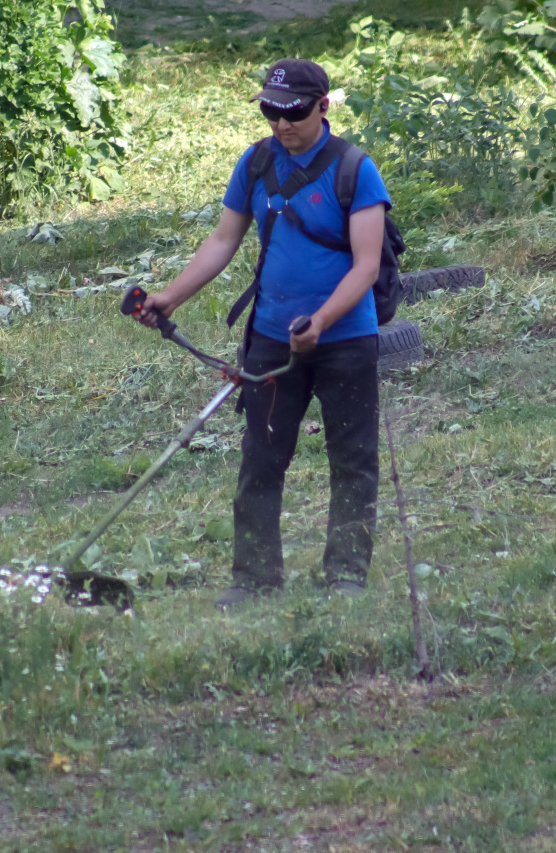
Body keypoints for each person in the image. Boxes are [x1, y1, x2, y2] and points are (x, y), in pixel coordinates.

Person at [133, 58, 391, 610]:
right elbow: (224, 241)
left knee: (353, 458)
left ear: (323, 106)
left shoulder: (355, 170)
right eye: (271, 112)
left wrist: (320, 323)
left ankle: (346, 575)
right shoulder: (254, 164)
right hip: (273, 340)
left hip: (345, 340)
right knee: (261, 461)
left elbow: (367, 267)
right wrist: (170, 297)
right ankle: (253, 579)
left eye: (292, 113)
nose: (281, 124)